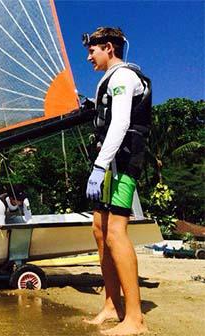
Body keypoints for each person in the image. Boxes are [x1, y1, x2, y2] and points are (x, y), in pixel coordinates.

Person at [82, 27, 152, 335]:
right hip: (109, 164)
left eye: (93, 51)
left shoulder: (124, 77)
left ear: (108, 47)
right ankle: (112, 306)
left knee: (115, 232)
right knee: (99, 230)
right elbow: (110, 115)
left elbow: (122, 122)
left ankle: (134, 318)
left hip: (122, 163)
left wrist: (99, 166)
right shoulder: (109, 81)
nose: (89, 57)